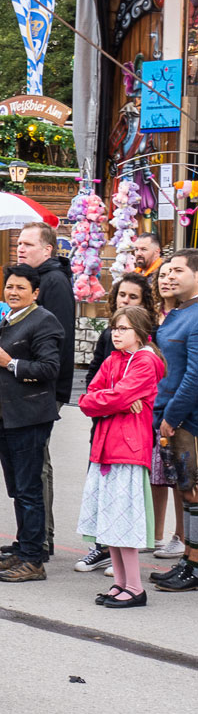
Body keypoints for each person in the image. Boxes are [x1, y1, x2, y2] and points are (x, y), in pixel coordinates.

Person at [77, 306, 164, 608]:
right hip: (105, 447)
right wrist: (122, 403)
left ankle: (136, 588)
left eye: (123, 328)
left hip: (128, 449)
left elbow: (112, 396)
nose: (116, 333)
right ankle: (120, 583)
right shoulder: (114, 359)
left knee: (123, 520)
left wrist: (116, 400)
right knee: (109, 520)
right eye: (114, 327)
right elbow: (87, 399)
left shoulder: (145, 362)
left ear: (140, 332)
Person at [0, 264, 63, 582]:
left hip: (29, 418)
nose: (13, 292)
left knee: (30, 490)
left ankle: (33, 558)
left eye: (20, 288)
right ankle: (24, 545)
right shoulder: (8, 319)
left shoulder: (44, 321)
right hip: (7, 418)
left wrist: (11, 363)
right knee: (18, 489)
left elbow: (49, 367)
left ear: (36, 293)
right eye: (9, 287)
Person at [15, 222, 74, 559]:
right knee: (28, 466)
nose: (21, 248)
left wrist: (53, 391)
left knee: (37, 466)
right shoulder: (35, 281)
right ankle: (31, 536)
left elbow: (57, 340)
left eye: (28, 244)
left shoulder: (53, 282)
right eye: (19, 244)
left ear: (48, 250)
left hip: (42, 388)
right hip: (27, 386)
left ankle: (41, 539)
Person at [151, 249, 198, 591]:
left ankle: (193, 565)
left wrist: (171, 415)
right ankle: (189, 561)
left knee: (193, 492)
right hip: (171, 416)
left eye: (177, 271)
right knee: (187, 492)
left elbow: (195, 376)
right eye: (166, 271)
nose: (168, 277)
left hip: (186, 421)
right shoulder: (177, 314)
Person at [134, 231, 163, 300]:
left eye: (143, 249)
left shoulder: (162, 276)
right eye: (136, 249)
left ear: (156, 252)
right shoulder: (135, 273)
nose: (138, 253)